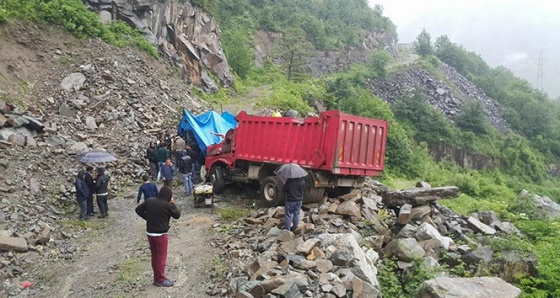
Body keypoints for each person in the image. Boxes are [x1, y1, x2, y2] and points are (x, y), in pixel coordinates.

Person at [135, 186, 181, 287]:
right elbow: (177, 215)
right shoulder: (167, 205)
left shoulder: (150, 200)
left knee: (154, 256)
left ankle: (156, 277)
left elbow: (138, 209)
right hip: (161, 235)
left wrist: (148, 218)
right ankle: (160, 279)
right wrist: (173, 203)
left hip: (150, 233)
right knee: (161, 257)